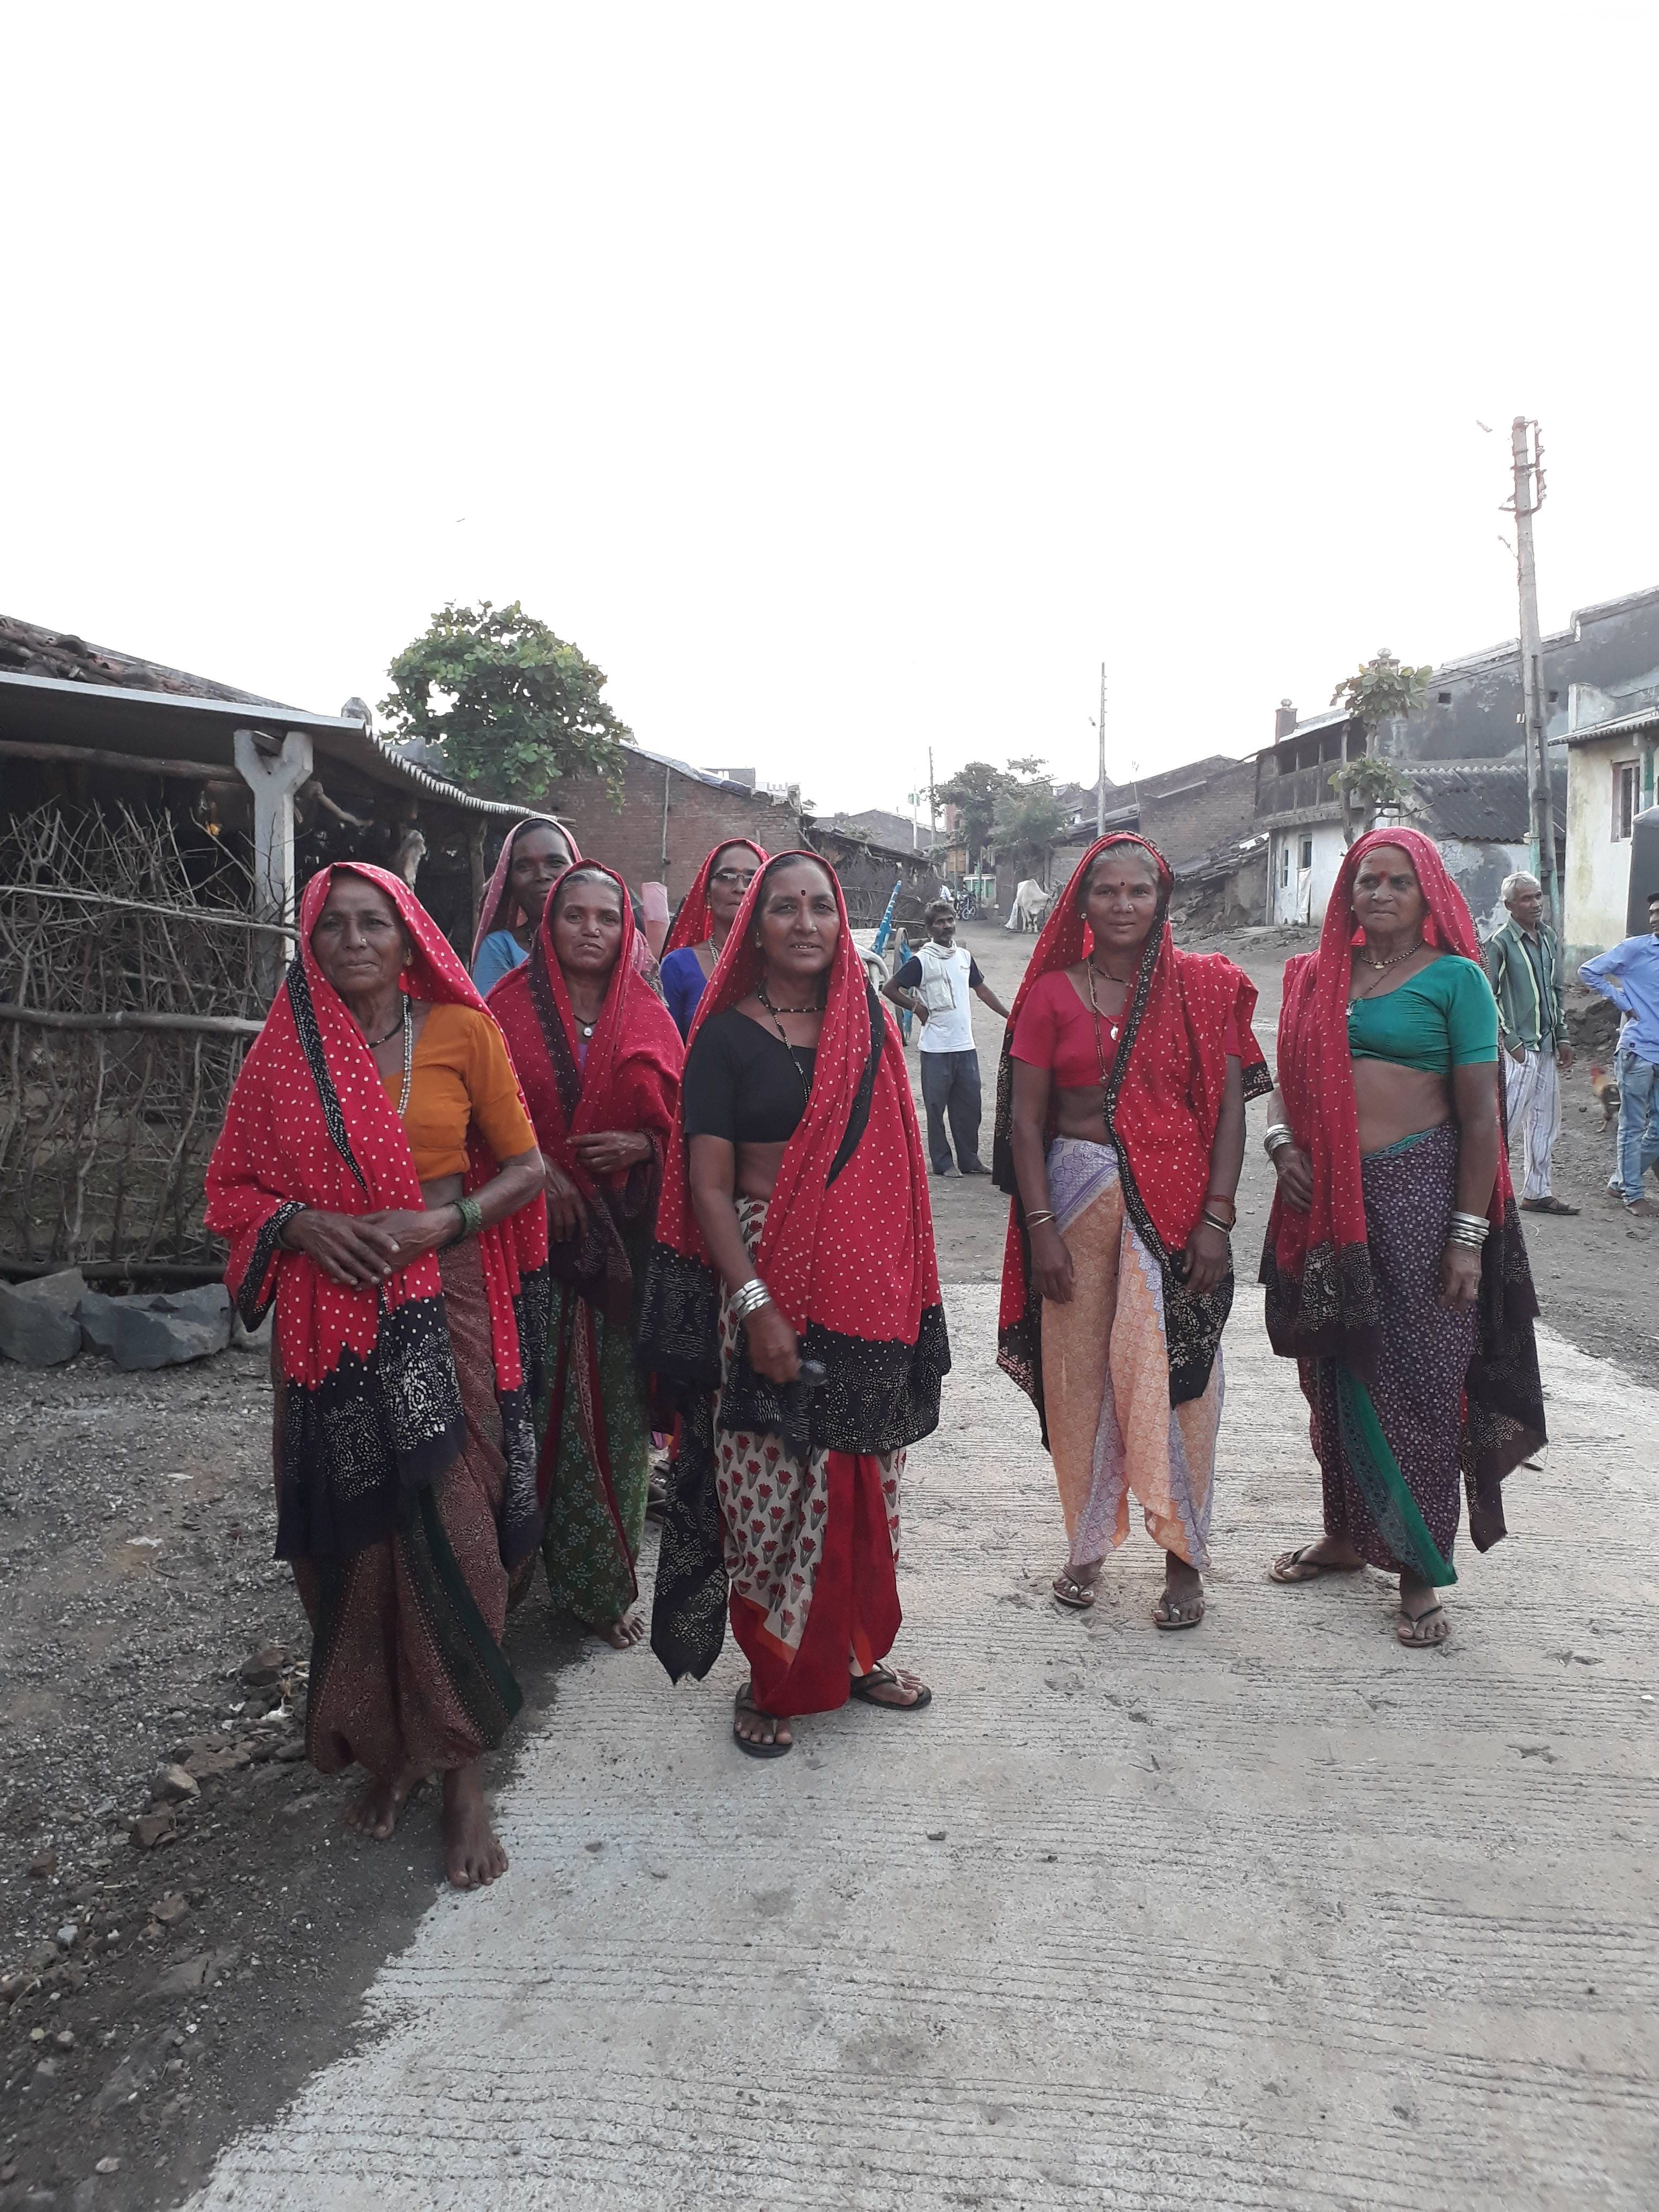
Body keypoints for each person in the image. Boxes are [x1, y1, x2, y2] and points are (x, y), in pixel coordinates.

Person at [205, 864, 549, 1888]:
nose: (355, 940)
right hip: (326, 1309)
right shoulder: (281, 1056)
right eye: (335, 926)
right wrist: (299, 1224)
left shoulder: (460, 1033)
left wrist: (442, 1221)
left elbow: (529, 1168)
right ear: (310, 944)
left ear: (411, 942)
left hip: (442, 1292)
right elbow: (230, 1187)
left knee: (456, 1528)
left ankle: (462, 1773)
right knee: (354, 1537)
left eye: (376, 924)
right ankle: (388, 1747)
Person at [641, 851, 950, 1755]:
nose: (806, 922)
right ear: (756, 926)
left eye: (821, 906)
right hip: (763, 1272)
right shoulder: (724, 1037)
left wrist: (902, 1282)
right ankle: (770, 1674)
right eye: (785, 907)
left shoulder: (869, 1030)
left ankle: (855, 1655)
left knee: (864, 1483)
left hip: (865, 1289)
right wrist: (755, 1301)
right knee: (766, 1488)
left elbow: (899, 1173)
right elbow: (705, 1186)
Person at [1262, 829, 1545, 1648]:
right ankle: (1348, 1537)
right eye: (1365, 880)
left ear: (1428, 897)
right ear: (1347, 896)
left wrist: (1467, 1238)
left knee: (1419, 1385)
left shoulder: (1457, 980)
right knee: (1332, 1372)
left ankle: (1420, 1571)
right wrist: (1282, 1147)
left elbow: (1481, 1116)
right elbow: (1286, 1087)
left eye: (1397, 881)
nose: (1379, 893)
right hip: (1322, 1208)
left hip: (1421, 1199)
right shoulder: (1316, 977)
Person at [995, 834, 1269, 1630]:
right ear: (1081, 905)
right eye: (1105, 892)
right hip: (1076, 1209)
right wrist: (1041, 1227)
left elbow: (1225, 1119)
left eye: (1138, 892)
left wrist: (1217, 1219)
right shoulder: (1050, 995)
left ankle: (1185, 1557)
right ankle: (1087, 1542)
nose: (1122, 906)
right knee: (1080, 1378)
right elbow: (1025, 1120)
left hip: (1178, 1213)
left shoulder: (1204, 988)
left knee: (1182, 1380)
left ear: (1162, 901)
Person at [489, 863, 684, 1649]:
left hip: (624, 1252)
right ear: (549, 921)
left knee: (616, 1413)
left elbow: (687, 1126)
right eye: (575, 915)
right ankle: (507, 1571)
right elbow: (478, 1117)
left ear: (627, 928)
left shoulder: (651, 1014)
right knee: (525, 1409)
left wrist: (643, 1144)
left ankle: (603, 1582)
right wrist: (541, 1174)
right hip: (528, 1247)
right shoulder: (502, 1012)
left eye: (609, 915)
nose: (592, 929)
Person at [883, 898, 1010, 1176]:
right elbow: (890, 988)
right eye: (941, 922)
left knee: (970, 1108)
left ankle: (970, 1160)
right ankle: (943, 1163)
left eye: (950, 920)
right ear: (930, 929)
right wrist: (916, 1007)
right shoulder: (921, 961)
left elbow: (983, 990)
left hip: (965, 1046)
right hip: (936, 1049)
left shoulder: (964, 958)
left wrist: (1010, 1016)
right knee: (936, 1107)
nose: (947, 926)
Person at [1484, 870, 1576, 1215]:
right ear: (1510, 905)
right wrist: (1510, 1040)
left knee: (1545, 1122)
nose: (1536, 904)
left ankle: (1538, 1192)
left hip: (1548, 1045)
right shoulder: (1500, 943)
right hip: (1520, 1050)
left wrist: (1564, 1035)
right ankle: (1485, 1191)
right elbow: (1489, 995)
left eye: (1538, 896)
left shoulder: (1550, 937)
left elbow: (1557, 991)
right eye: (1527, 898)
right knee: (1505, 1122)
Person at [1579, 891, 1659, 1218]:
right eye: (1652, 912)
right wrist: (1624, 1003)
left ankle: (1620, 1180)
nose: (1654, 917)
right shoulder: (1636, 949)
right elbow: (1589, 971)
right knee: (1632, 1124)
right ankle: (1633, 1193)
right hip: (1637, 1051)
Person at [658, 839, 768, 1036]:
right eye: (727, 876)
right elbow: (666, 1049)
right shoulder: (678, 966)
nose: (740, 887)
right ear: (708, 895)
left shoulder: (778, 964)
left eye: (752, 878)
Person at [470, 817, 578, 992]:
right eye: (525, 867)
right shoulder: (500, 948)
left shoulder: (611, 940)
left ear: (578, 869)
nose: (541, 875)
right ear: (509, 882)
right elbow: (492, 1018)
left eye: (555, 863)